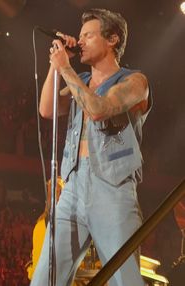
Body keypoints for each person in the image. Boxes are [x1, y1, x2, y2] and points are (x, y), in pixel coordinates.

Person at [31, 8, 152, 286]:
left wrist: (66, 67)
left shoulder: (134, 81)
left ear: (112, 39)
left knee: (126, 280)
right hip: (72, 187)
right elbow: (46, 109)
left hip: (113, 187)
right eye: (81, 35)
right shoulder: (80, 82)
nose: (81, 40)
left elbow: (99, 109)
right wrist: (56, 63)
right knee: (45, 279)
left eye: (88, 35)